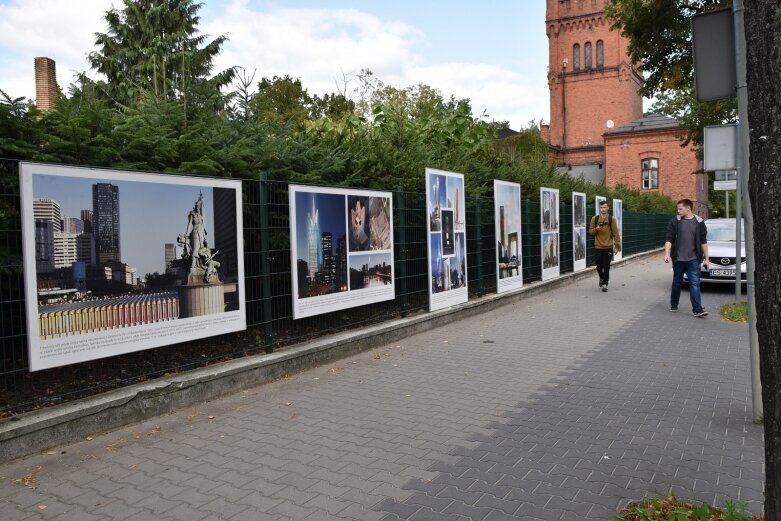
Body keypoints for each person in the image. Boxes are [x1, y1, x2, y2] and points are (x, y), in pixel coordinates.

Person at [664, 198, 709, 317]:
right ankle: (674, 304)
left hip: (693, 259)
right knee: (677, 283)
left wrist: (707, 259)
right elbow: (669, 239)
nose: (678, 211)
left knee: (694, 283)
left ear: (688, 208)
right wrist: (667, 253)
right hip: (678, 259)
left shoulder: (699, 222)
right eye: (678, 209)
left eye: (680, 209)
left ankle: (697, 309)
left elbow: (703, 242)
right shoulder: (675, 222)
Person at [588, 200, 621, 292]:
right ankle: (601, 277)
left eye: (604, 207)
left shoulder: (611, 219)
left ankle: (605, 284)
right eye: (601, 207)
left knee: (606, 267)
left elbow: (615, 233)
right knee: (598, 266)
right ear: (599, 208)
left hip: (608, 247)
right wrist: (596, 229)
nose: (603, 209)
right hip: (598, 246)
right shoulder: (594, 219)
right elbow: (590, 231)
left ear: (608, 208)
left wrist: (617, 245)